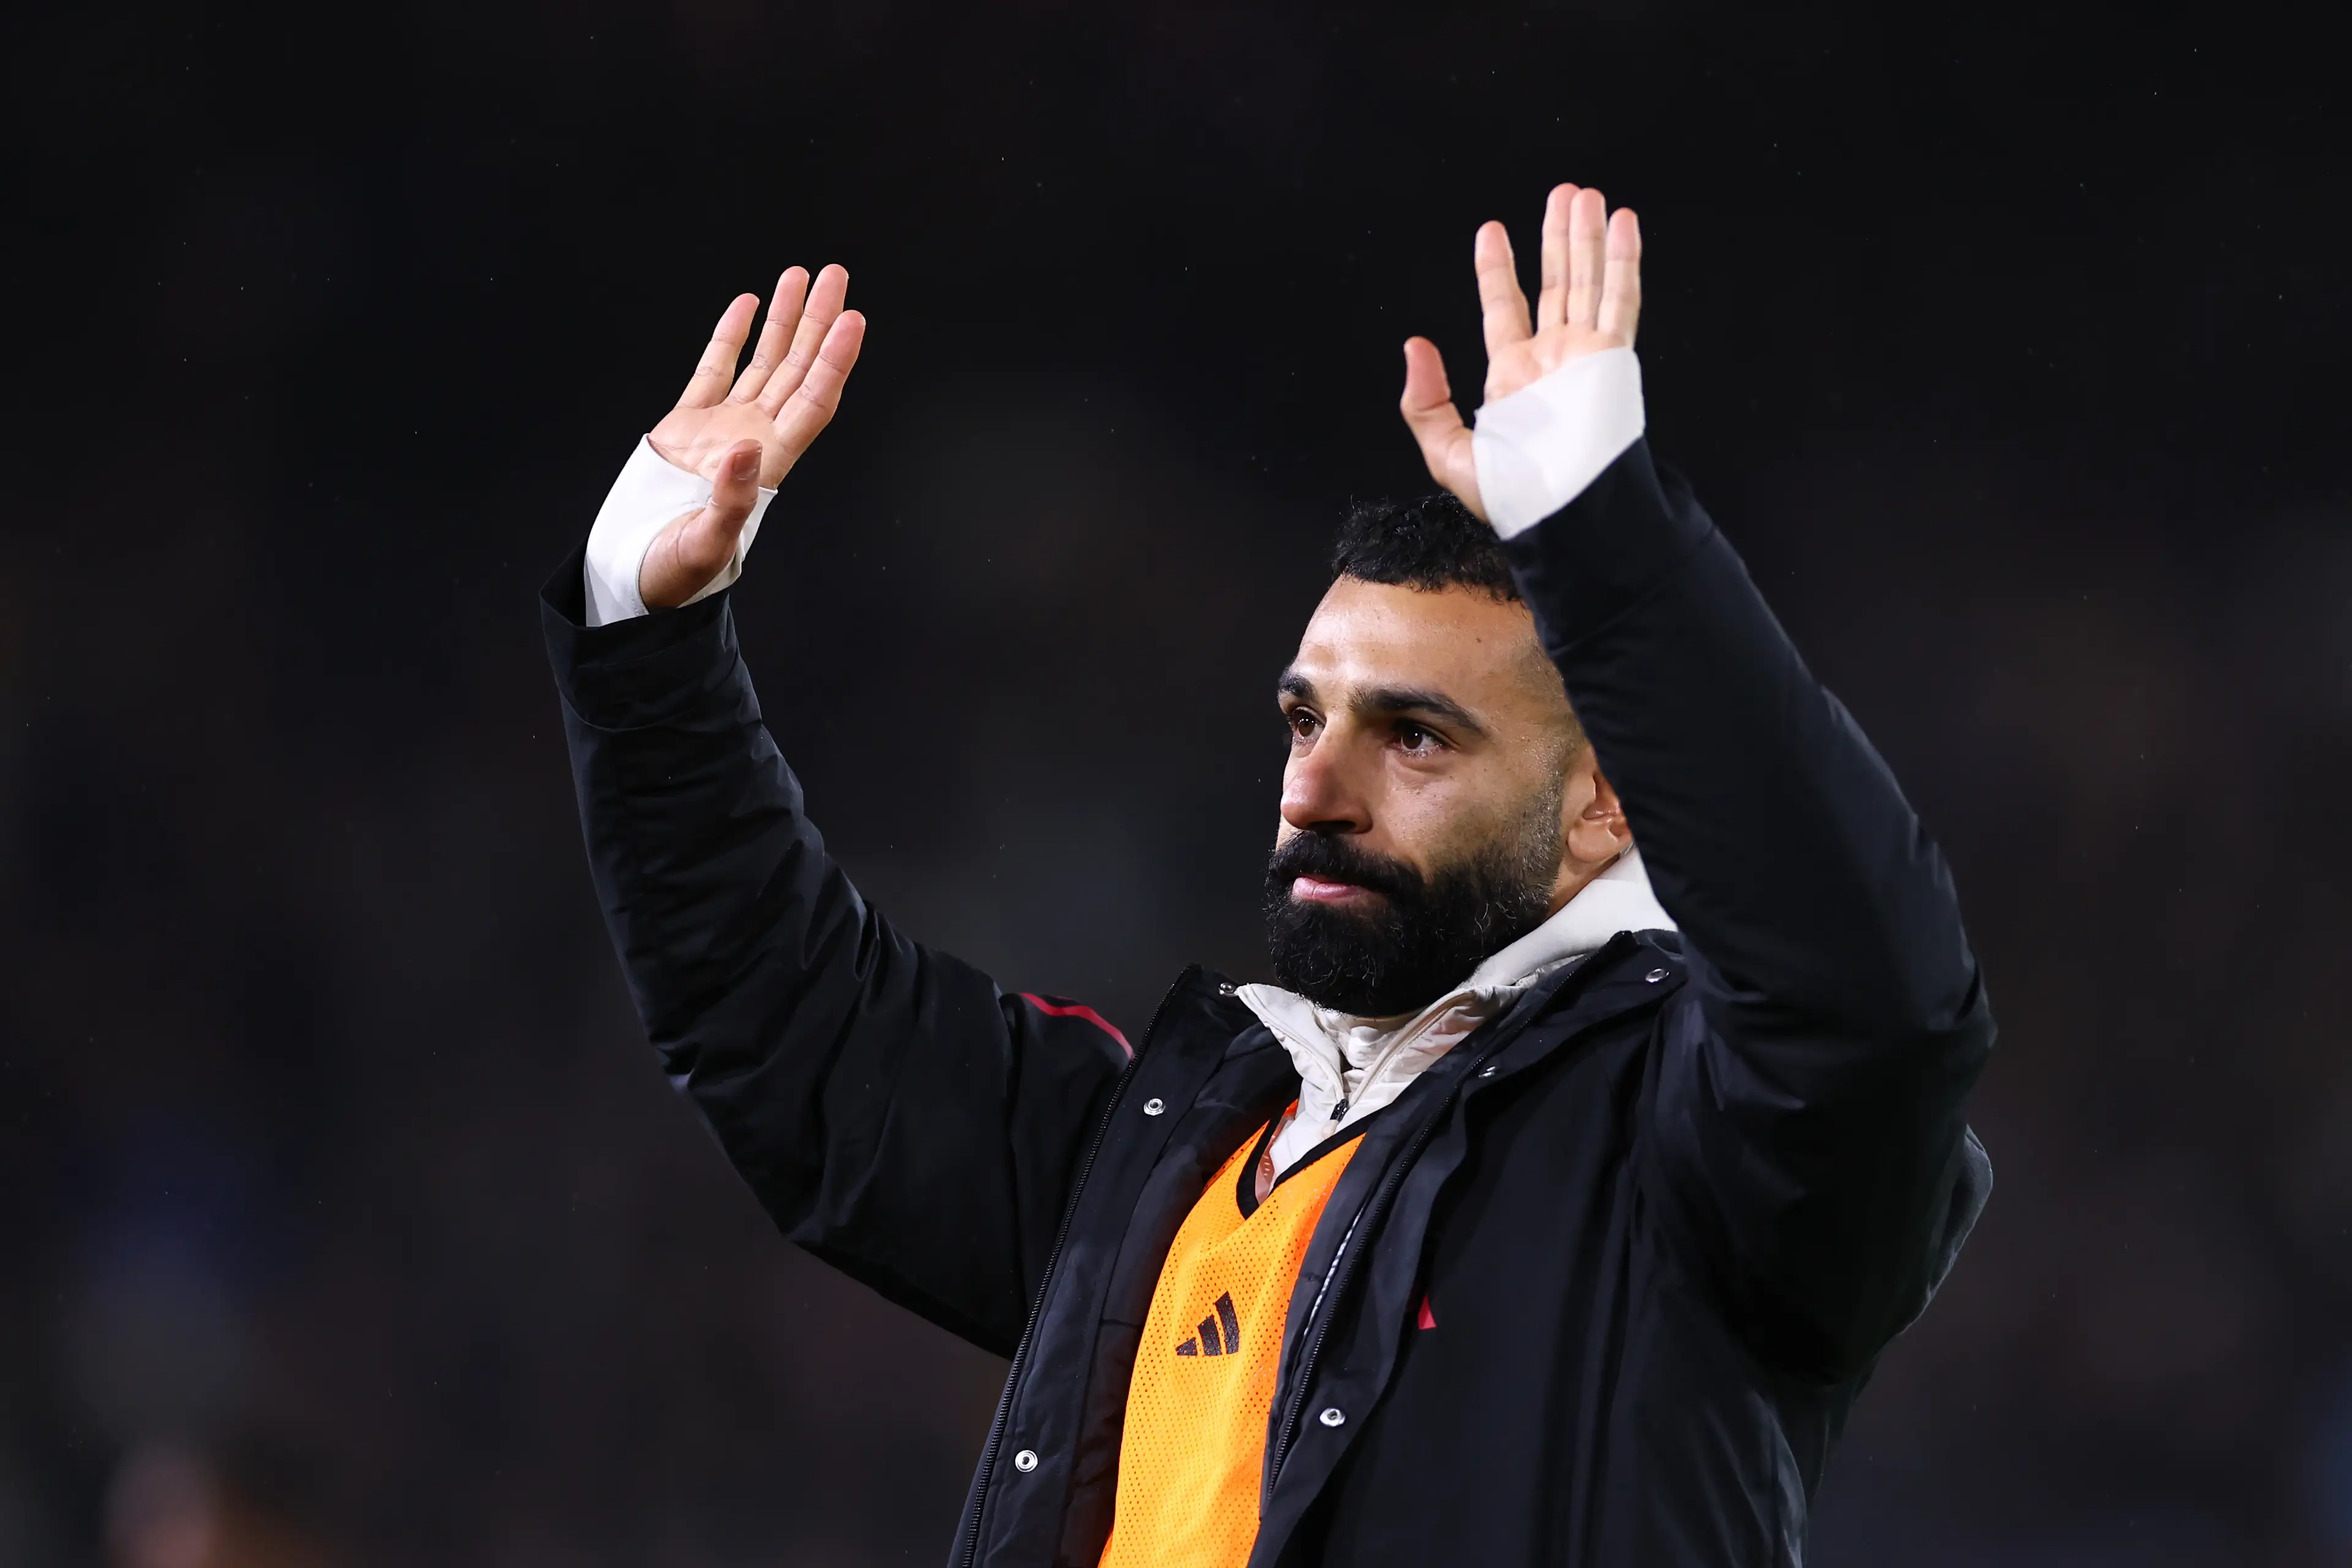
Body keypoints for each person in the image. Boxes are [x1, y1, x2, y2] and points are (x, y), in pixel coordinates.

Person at [540, 183, 1994, 1567]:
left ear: (1605, 803)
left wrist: (1617, 551)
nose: (1315, 786)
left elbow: (1870, 1001)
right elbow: (793, 1031)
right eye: (1306, 717)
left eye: (1413, 735)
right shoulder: (1186, 1140)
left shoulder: (1696, 1145)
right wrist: (642, 633)